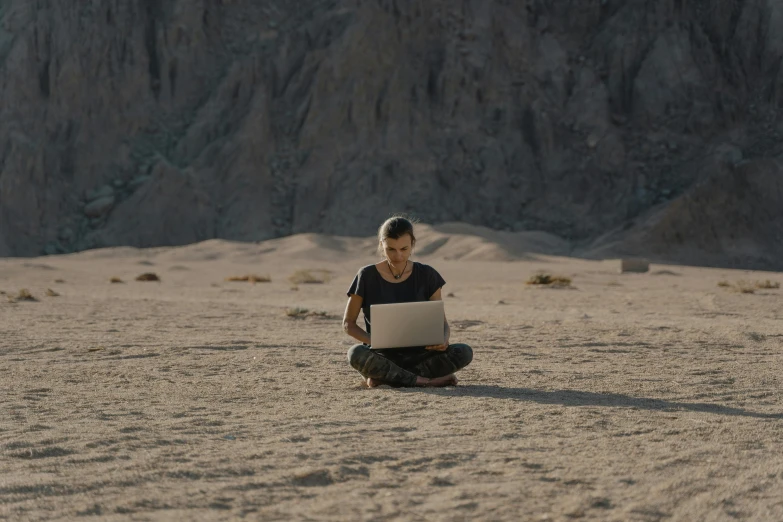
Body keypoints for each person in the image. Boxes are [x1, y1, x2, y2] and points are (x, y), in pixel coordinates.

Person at [343, 216, 473, 387]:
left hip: (422, 355)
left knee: (464, 352)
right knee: (356, 353)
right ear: (381, 244)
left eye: (404, 248)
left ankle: (388, 378)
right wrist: (373, 339)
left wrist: (443, 339)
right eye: (391, 249)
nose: (398, 256)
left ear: (413, 243)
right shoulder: (366, 276)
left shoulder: (427, 275)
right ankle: (424, 381)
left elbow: (442, 323)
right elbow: (348, 324)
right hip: (383, 355)